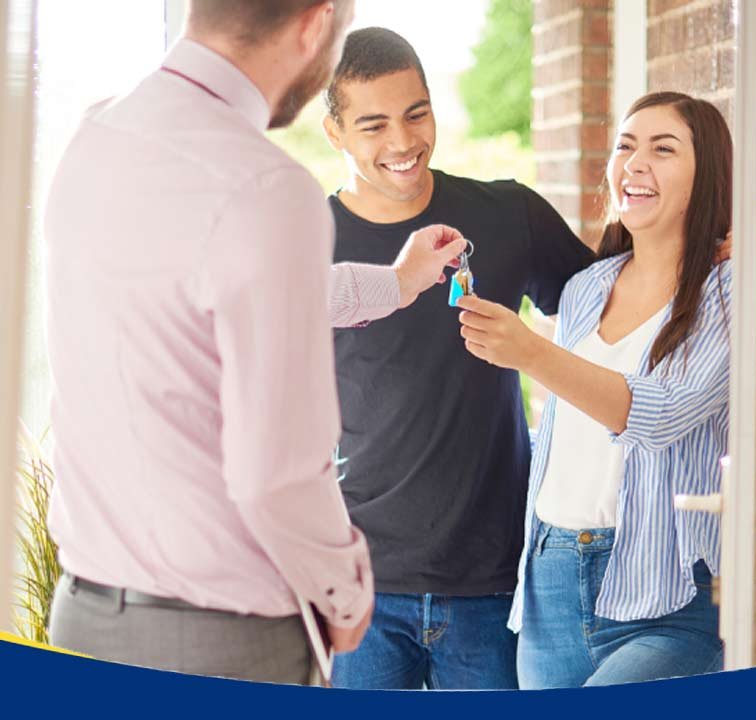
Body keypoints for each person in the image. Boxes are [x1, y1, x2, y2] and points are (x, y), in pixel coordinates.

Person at [43, 1, 465, 684]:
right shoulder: (268, 186)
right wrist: (344, 589)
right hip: (218, 645)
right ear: (314, 23)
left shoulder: (97, 135)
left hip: (85, 616)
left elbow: (211, 298)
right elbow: (277, 472)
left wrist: (395, 283)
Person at [317, 28, 596, 690]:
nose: (403, 142)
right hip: (360, 587)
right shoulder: (308, 243)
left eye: (417, 112)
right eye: (373, 124)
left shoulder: (506, 215)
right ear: (334, 132)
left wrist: (693, 248)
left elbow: (607, 306)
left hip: (491, 585)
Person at [456, 92, 732, 687]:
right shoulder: (587, 286)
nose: (635, 163)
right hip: (550, 584)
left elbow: (660, 414)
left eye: (663, 149)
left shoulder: (727, 288)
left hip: (667, 593)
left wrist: (530, 351)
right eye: (625, 146)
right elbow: (566, 427)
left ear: (707, 172)